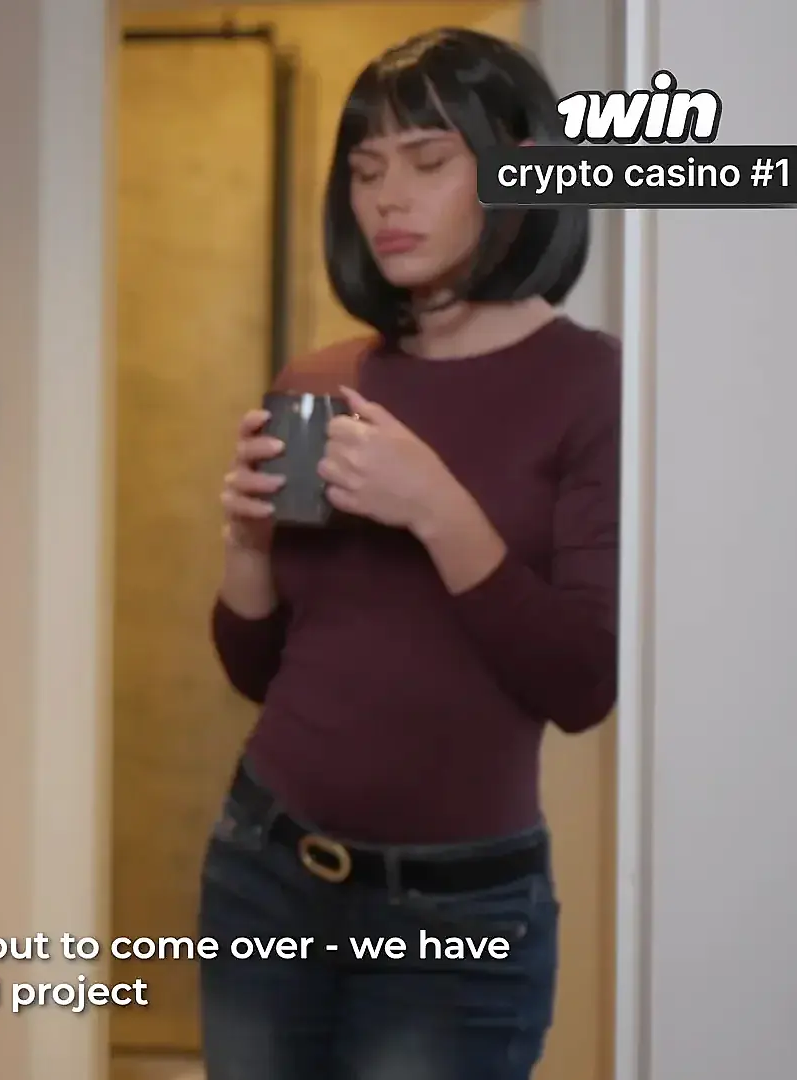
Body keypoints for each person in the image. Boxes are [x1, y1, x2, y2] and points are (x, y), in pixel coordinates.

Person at [201, 28, 618, 1080]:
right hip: (263, 871)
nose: (388, 197)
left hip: (460, 916)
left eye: (428, 162)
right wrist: (246, 545)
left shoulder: (596, 387)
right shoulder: (319, 378)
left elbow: (582, 683)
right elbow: (260, 672)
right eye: (366, 169)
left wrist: (438, 509)